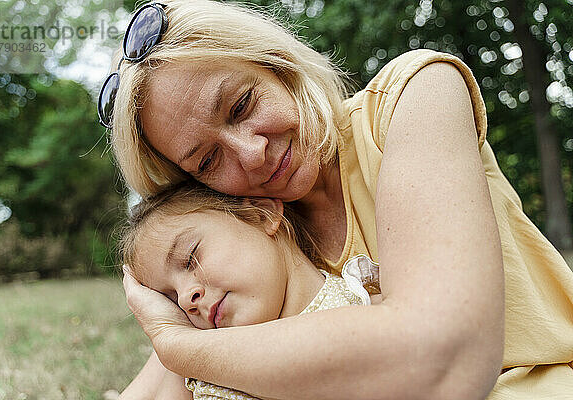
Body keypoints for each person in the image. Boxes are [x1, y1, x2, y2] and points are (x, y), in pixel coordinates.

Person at [100, 0, 573, 398]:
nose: (252, 153)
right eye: (206, 162)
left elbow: (447, 361)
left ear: (276, 65)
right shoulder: (249, 249)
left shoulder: (411, 97)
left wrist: (178, 347)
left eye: (243, 104)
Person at [119, 182, 381, 399]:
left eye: (190, 259)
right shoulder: (201, 373)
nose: (187, 299)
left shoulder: (367, 305)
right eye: (171, 299)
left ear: (261, 215)